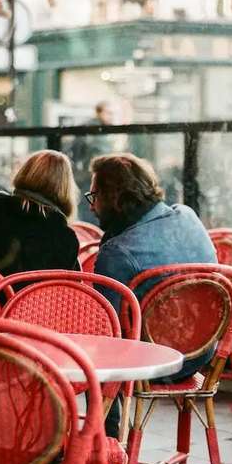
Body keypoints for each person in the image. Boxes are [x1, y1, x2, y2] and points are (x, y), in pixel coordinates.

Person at [87, 153, 217, 439]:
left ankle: (103, 447)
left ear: (115, 197)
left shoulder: (119, 251)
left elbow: (106, 330)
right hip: (203, 352)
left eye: (95, 195)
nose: (93, 206)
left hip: (157, 364)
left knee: (94, 355)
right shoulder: (188, 216)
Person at [0, 150, 80, 276]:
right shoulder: (67, 238)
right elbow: (67, 290)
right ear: (66, 188)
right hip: (33, 296)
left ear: (25, 172)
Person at [71, 101, 119, 225]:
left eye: (113, 114)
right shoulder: (93, 132)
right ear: (99, 112)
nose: (111, 117)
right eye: (109, 113)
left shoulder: (103, 131)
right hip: (90, 178)